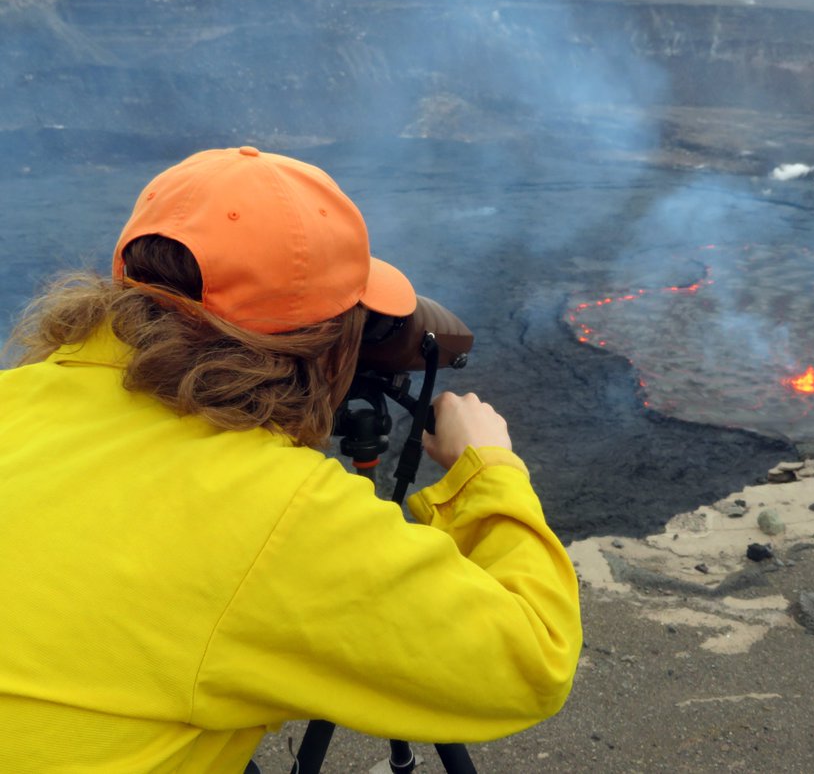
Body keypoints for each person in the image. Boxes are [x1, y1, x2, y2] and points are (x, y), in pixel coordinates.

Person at [0, 147, 582, 773]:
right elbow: (535, 658)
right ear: (324, 344)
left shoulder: (14, 400)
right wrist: (488, 469)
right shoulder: (279, 516)